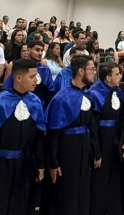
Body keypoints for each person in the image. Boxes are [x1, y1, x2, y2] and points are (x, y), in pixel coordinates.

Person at [0, 59, 46, 215]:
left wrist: (40, 164)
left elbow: (38, 138)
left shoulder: (35, 102)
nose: (36, 81)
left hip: (23, 165)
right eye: (32, 77)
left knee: (19, 206)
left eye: (36, 76)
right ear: (18, 78)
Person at [43, 55, 99, 215]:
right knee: (67, 193)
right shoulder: (61, 98)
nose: (94, 72)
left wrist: (96, 151)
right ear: (81, 71)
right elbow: (53, 134)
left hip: (84, 148)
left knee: (82, 191)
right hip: (67, 151)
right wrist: (53, 163)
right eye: (92, 69)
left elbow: (92, 126)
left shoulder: (88, 95)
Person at [88, 63, 124, 215]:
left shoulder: (117, 91)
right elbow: (93, 125)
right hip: (101, 139)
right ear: (108, 77)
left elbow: (122, 118)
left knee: (114, 176)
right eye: (117, 74)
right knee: (100, 178)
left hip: (115, 139)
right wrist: (96, 150)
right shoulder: (95, 93)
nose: (120, 77)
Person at [3, 40, 55, 109]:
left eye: (42, 51)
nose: (40, 53)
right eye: (37, 50)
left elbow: (50, 92)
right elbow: (7, 88)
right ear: (28, 50)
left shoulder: (45, 70)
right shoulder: (20, 67)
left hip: (39, 107)